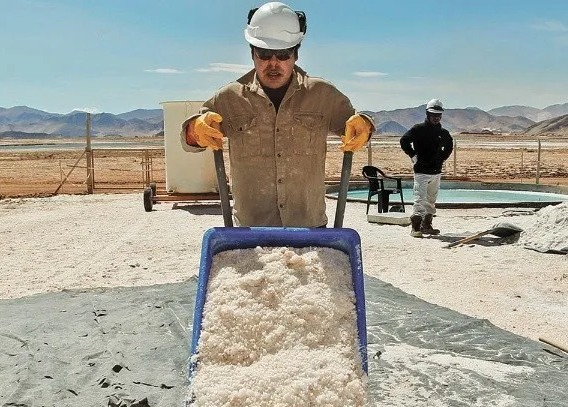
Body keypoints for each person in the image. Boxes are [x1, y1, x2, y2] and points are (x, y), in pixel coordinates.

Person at [180, 2, 374, 228]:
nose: (273, 63)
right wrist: (195, 130)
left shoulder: (324, 95)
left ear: (295, 54)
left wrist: (365, 127)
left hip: (309, 229)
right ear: (252, 53)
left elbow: (356, 127)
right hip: (250, 231)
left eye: (283, 54)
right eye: (264, 54)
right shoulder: (229, 98)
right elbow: (188, 141)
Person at [400, 99, 453, 237]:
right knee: (419, 199)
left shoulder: (443, 133)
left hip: (436, 172)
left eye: (438, 115)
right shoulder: (418, 129)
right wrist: (413, 155)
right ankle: (415, 228)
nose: (436, 117)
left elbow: (449, 145)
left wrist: (442, 158)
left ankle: (427, 225)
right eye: (433, 114)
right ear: (427, 114)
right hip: (422, 172)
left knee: (431, 200)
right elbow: (404, 140)